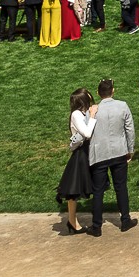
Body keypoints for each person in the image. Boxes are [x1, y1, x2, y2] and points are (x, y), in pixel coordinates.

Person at [86, 78, 137, 236]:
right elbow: (130, 130)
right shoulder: (122, 106)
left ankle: (96, 226)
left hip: (99, 153)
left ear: (98, 93)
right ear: (113, 91)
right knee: (120, 186)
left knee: (98, 190)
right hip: (119, 151)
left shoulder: (93, 110)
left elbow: (87, 131)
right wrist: (130, 149)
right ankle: (125, 220)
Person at [58, 88, 95, 234]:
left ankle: (72, 221)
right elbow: (86, 133)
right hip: (81, 154)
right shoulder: (76, 114)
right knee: (74, 190)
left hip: (87, 152)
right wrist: (92, 116)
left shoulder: (83, 113)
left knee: (78, 188)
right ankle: (72, 222)